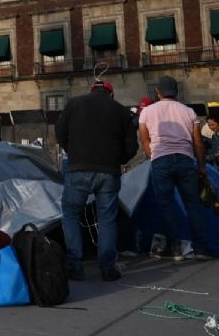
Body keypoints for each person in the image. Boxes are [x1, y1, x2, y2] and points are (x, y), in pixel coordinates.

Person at [55, 81, 137, 281]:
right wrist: (118, 161)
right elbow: (131, 147)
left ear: (92, 90)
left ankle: (75, 265)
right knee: (107, 219)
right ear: (111, 94)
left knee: (71, 215)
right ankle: (107, 268)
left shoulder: (74, 104)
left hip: (78, 169)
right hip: (109, 172)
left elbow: (59, 133)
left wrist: (72, 152)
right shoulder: (121, 111)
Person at [138, 76, 210, 261]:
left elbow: (145, 140)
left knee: (166, 205)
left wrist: (152, 156)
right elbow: (198, 141)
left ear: (157, 92)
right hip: (186, 160)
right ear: (176, 91)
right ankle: (200, 248)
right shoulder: (189, 112)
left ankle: (176, 248)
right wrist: (201, 165)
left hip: (161, 160)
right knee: (193, 205)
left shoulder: (147, 112)